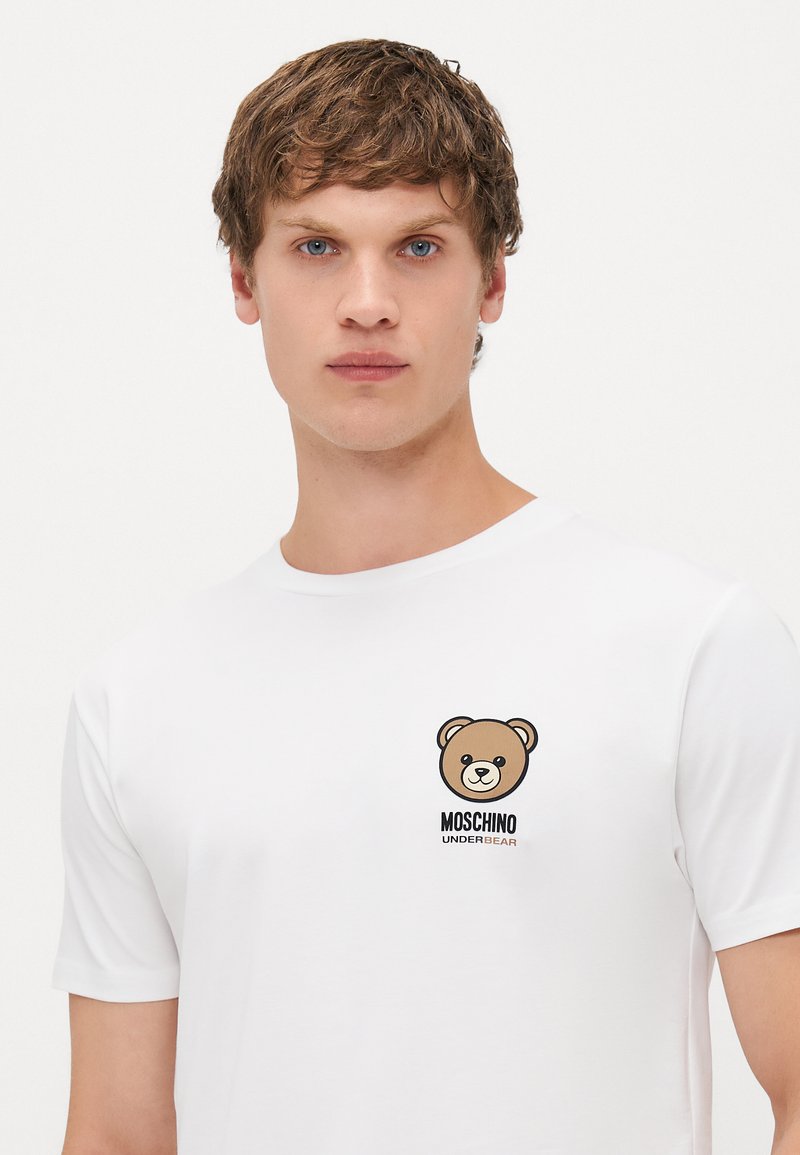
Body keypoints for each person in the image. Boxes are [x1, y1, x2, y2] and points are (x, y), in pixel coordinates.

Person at [51, 37, 800, 1155]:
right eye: (316, 246)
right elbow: (115, 1133)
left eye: (416, 246)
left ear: (490, 280)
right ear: (244, 281)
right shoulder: (137, 699)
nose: (367, 303)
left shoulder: (690, 644)